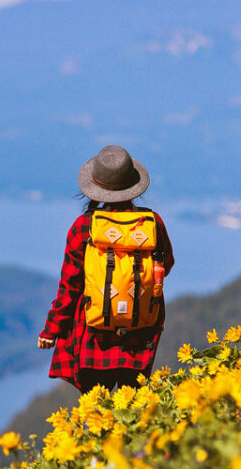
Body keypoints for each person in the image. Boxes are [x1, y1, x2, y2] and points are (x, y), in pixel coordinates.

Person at [38, 145, 174, 393]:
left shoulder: (84, 226)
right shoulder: (152, 224)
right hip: (140, 331)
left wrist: (51, 330)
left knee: (96, 408)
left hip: (94, 334)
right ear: (133, 186)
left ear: (96, 187)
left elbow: (70, 286)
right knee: (132, 404)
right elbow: (165, 266)